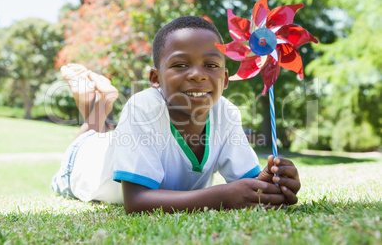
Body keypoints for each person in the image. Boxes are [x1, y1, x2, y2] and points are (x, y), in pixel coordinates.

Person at [51, 16, 300, 213]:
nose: (197, 75)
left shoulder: (227, 113)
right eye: (180, 64)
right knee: (90, 137)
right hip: (80, 163)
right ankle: (98, 107)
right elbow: (136, 202)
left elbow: (249, 182)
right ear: (155, 79)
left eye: (211, 65)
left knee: (111, 137)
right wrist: (223, 196)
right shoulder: (141, 107)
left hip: (119, 144)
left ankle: (101, 105)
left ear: (225, 80)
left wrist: (271, 183)